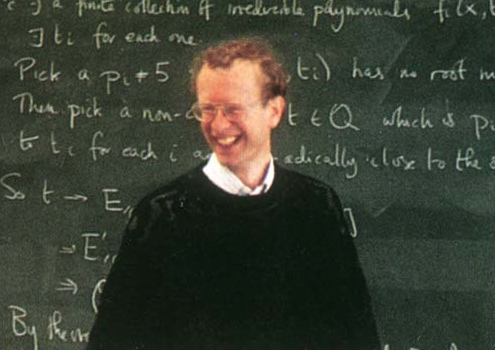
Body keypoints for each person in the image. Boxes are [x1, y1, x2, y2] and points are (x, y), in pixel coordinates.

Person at [87, 38, 379, 350]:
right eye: (207, 110)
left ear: (274, 111)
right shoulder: (162, 215)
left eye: (233, 109)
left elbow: (357, 337)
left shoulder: (316, 206)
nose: (218, 125)